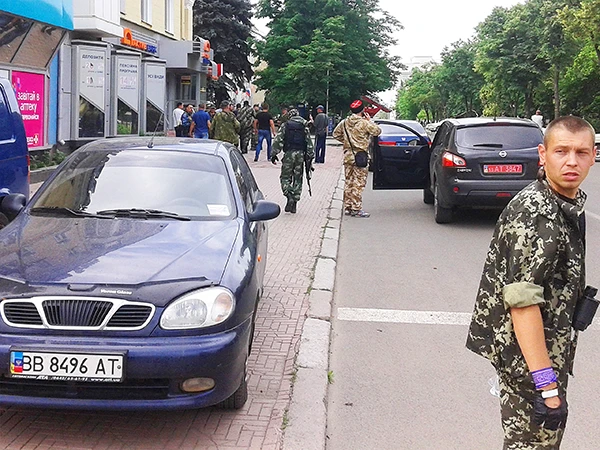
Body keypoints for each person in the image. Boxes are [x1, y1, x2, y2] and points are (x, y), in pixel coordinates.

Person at [466, 116, 596, 449]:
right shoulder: (537, 213)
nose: (571, 161)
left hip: (543, 357)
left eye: (581, 152)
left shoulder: (561, 203)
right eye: (561, 151)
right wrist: (546, 386)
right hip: (530, 365)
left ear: (594, 155)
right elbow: (522, 303)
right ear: (543, 154)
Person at [332, 100, 381, 218]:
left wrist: (347, 143)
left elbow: (335, 134)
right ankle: (356, 208)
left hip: (348, 155)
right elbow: (377, 131)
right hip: (361, 155)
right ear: (363, 110)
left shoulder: (344, 123)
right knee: (358, 183)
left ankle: (348, 207)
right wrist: (370, 121)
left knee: (349, 181)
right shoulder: (364, 123)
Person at [271, 109, 314, 214]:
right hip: (300, 155)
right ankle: (295, 201)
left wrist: (274, 154)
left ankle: (289, 195)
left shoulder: (286, 125)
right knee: (298, 179)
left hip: (289, 154)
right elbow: (309, 142)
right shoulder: (304, 126)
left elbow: (278, 140)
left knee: (285, 177)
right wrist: (310, 157)